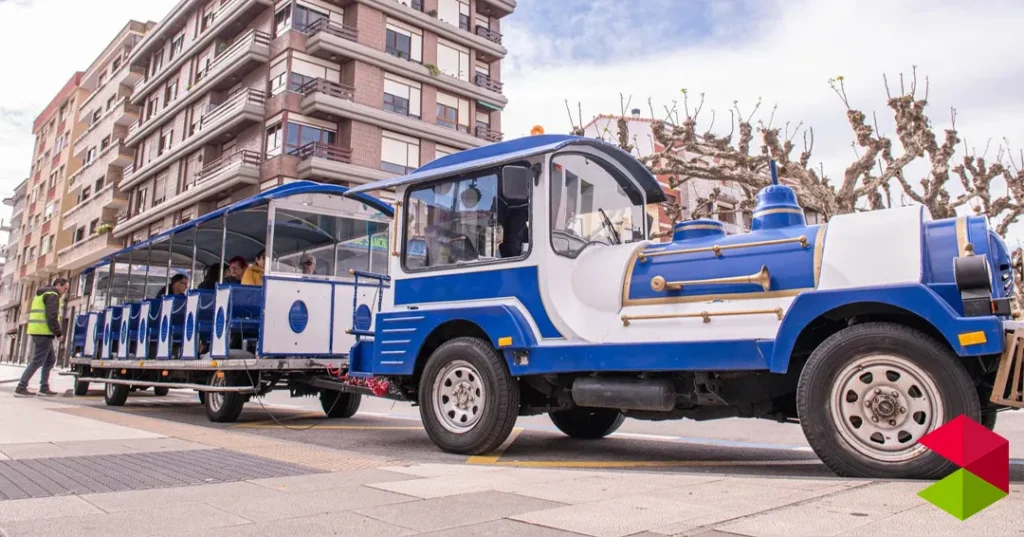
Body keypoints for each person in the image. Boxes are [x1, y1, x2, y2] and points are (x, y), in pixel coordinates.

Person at [15, 278, 69, 397]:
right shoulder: (52, 295)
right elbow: (51, 316)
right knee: (37, 361)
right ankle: (21, 387)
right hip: (43, 332)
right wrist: (58, 333)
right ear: (58, 285)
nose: (65, 291)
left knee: (50, 360)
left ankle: (44, 387)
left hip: (38, 331)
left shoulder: (42, 293)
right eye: (65, 288)